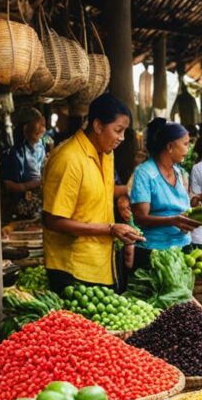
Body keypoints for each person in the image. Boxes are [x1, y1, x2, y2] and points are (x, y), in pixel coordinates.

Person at [42, 94, 144, 294]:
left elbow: (99, 192)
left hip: (100, 264)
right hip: (72, 270)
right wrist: (110, 229)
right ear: (97, 126)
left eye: (124, 131)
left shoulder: (106, 153)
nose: (122, 138)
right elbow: (53, 220)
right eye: (118, 130)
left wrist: (126, 196)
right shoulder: (68, 158)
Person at [130, 118, 199, 271]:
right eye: (186, 144)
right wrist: (172, 221)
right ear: (170, 146)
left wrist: (198, 206)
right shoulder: (145, 173)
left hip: (183, 247)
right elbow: (140, 218)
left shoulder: (180, 173)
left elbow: (182, 207)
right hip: (155, 251)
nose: (188, 149)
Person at [1, 107, 47, 222]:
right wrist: (29, 186)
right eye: (39, 124)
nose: (43, 129)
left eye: (43, 124)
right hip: (20, 204)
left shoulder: (41, 146)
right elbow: (8, 185)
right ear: (25, 127)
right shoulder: (12, 153)